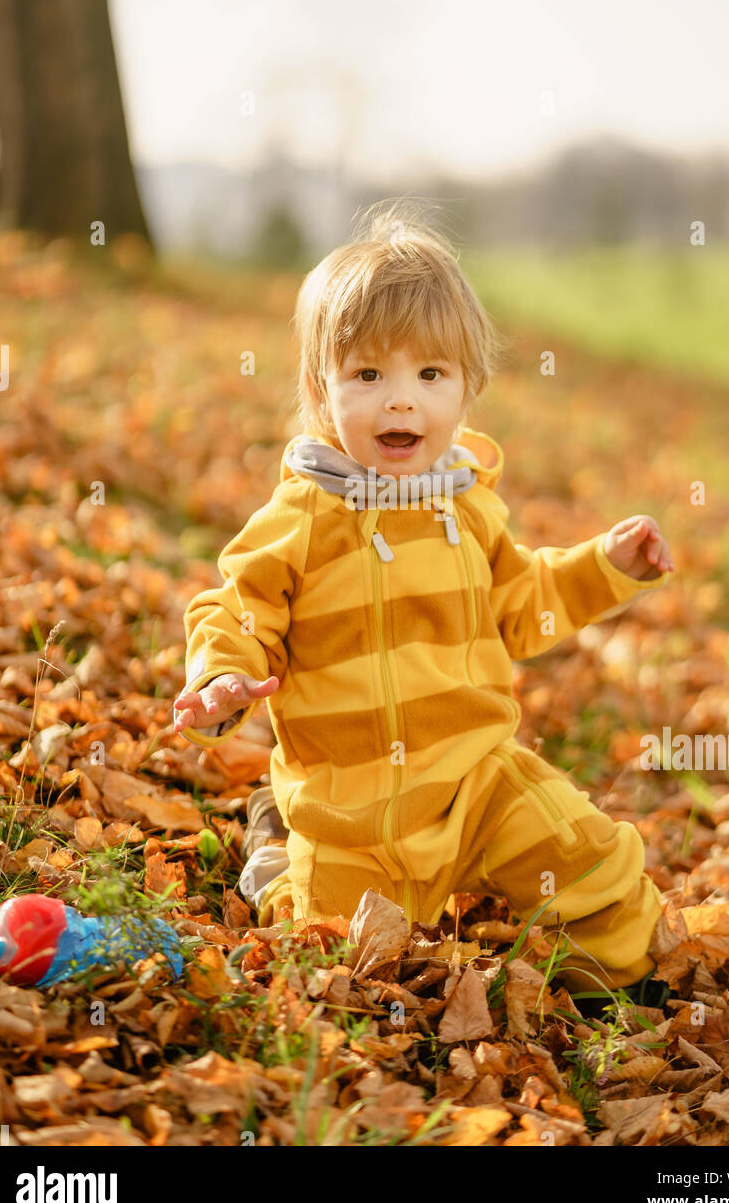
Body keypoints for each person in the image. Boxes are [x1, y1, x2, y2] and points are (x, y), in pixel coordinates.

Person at [172, 200, 675, 996]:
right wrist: (221, 677)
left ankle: (610, 993)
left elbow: (525, 605)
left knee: (597, 869)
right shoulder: (301, 517)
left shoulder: (469, 506)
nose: (401, 401)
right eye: (369, 375)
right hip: (352, 810)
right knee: (332, 966)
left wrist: (605, 567)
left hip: (478, 780)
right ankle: (274, 854)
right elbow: (238, 608)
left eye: (429, 375)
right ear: (320, 387)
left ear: (467, 388)